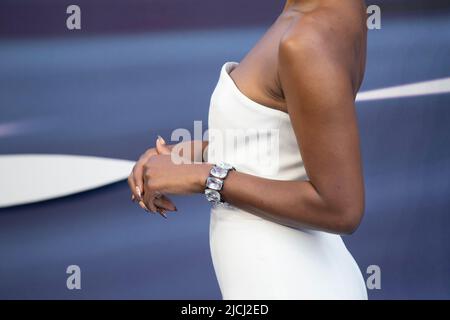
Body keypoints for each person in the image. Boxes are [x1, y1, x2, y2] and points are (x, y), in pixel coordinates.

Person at [128, 0, 368, 299]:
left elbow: (341, 209)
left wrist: (204, 177)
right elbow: (283, 145)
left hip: (286, 282)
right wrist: (190, 156)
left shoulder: (307, 38)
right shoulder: (328, 13)